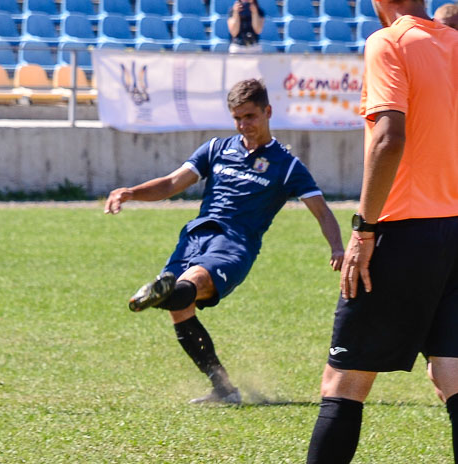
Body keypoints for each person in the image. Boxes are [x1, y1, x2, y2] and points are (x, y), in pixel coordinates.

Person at [104, 79, 345, 404]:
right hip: (195, 236)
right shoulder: (217, 149)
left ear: (267, 112)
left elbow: (322, 211)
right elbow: (173, 183)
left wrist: (337, 247)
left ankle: (161, 292)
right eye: (237, 118)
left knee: (187, 286)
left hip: (234, 244)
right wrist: (130, 192)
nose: (244, 125)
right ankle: (224, 388)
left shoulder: (287, 166)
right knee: (178, 306)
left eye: (250, 116)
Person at [306, 0, 458, 462]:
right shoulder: (454, 43)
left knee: (344, 381)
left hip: (403, 230)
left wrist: (364, 230)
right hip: (454, 229)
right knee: (452, 374)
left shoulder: (388, 41)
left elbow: (390, 138)